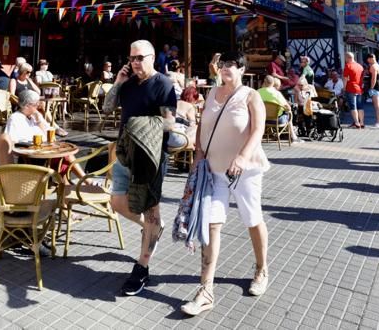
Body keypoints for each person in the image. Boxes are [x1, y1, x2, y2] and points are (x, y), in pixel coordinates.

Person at [181, 52, 270, 316]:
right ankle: (205, 290)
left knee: (252, 219)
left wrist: (242, 157)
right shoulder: (211, 93)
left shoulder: (251, 96)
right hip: (214, 171)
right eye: (222, 64)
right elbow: (202, 126)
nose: (225, 68)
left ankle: (261, 268)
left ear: (242, 69)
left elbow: (258, 130)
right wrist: (198, 154)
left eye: (231, 64)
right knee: (211, 224)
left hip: (246, 171)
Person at [101, 39, 176, 296]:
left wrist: (141, 127)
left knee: (150, 208)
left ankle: (142, 266)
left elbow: (169, 123)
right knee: (116, 202)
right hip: (124, 154)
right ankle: (153, 227)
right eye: (131, 58)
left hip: (150, 157)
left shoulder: (163, 84)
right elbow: (107, 107)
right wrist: (118, 83)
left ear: (153, 57)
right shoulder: (128, 83)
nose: (135, 63)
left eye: (140, 58)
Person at [257, 75, 300, 143]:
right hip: (277, 120)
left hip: (262, 119)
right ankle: (293, 136)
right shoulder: (277, 93)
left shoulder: (258, 92)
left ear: (264, 82)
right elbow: (288, 107)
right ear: (273, 83)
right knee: (289, 112)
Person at [343, 53, 365, 128]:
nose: (345, 60)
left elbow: (345, 78)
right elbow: (362, 78)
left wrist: (344, 87)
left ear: (348, 58)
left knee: (353, 106)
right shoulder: (360, 66)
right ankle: (361, 122)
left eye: (345, 58)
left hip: (351, 88)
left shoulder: (348, 66)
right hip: (359, 89)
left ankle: (356, 122)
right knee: (360, 106)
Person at [363, 54, 379, 129]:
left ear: (371, 58)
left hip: (375, 88)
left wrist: (371, 88)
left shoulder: (373, 67)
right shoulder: (378, 65)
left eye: (368, 59)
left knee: (377, 106)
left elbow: (374, 78)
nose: (367, 61)